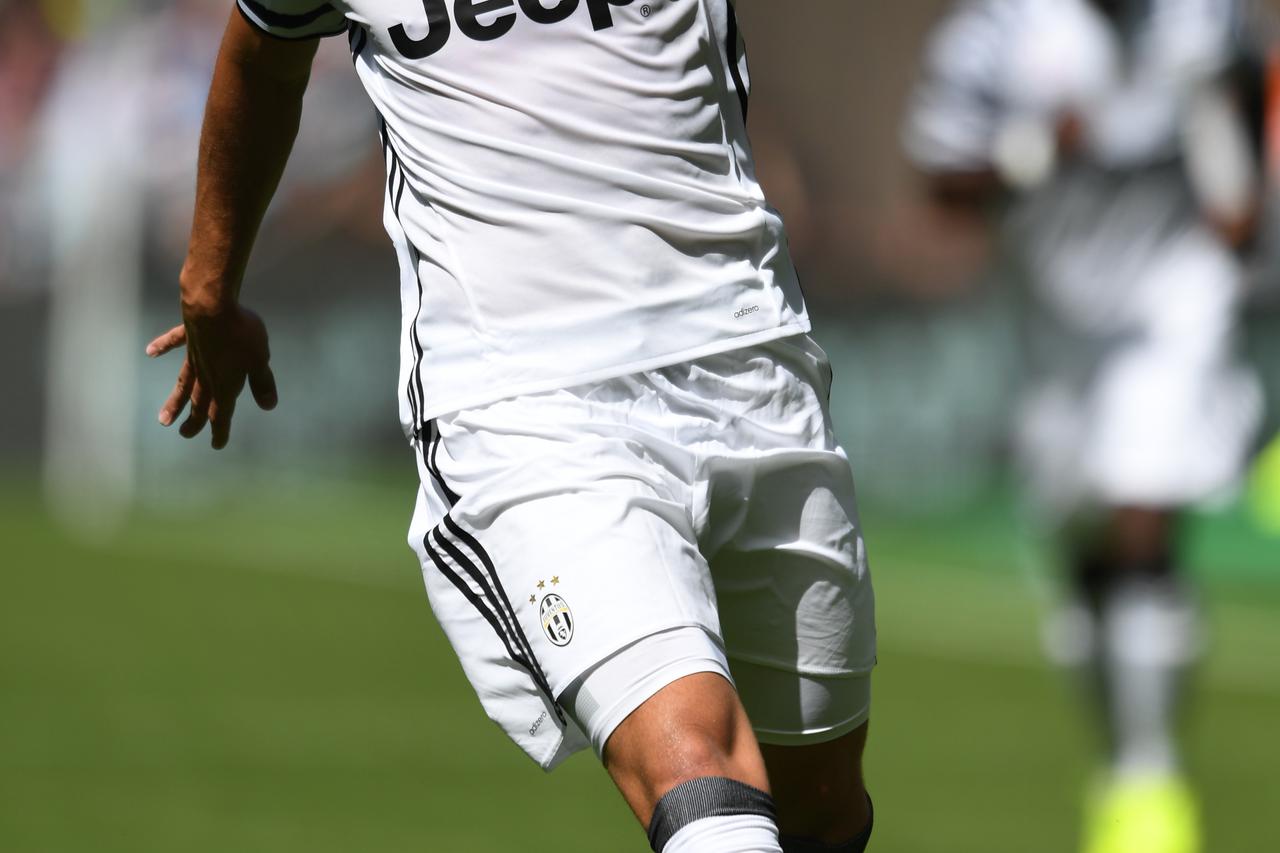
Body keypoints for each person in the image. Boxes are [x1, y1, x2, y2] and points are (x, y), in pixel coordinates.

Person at [146, 3, 877, 851]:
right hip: (528, 403)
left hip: (753, 363)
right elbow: (264, 53)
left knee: (819, 811)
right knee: (701, 776)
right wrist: (209, 281)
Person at [904, 2, 1266, 852]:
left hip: (1172, 297)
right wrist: (1034, 152)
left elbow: (1244, 89)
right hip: (1053, 316)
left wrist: (1240, 187)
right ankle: (1120, 756)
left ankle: (1149, 779)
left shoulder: (1202, 19)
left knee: (1143, 511)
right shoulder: (995, 35)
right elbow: (938, 177)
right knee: (1086, 550)